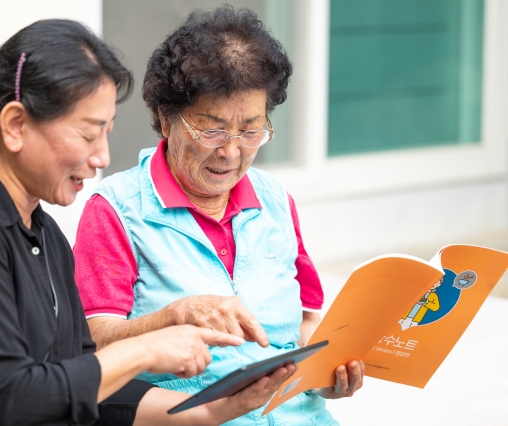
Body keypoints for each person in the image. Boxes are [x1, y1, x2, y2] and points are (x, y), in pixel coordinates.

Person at [0, 19, 298, 426]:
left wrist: (212, 410)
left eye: (107, 133)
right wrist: (145, 349)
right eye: (88, 133)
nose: (102, 158)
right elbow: (8, 401)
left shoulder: (44, 235)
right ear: (16, 125)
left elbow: (85, 381)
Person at [74, 6, 364, 425]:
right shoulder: (117, 210)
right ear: (164, 118)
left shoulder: (275, 200)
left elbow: (304, 325)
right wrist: (174, 314)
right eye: (211, 130)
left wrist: (329, 374)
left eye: (250, 130)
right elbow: (93, 347)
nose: (231, 152)